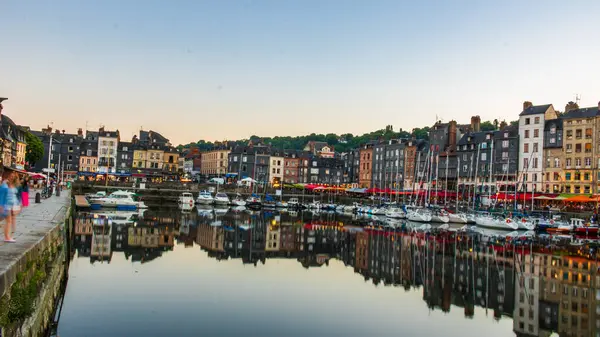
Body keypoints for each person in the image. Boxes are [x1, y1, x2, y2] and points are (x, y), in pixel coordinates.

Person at [0, 176, 10, 242]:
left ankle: (7, 237)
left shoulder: (3, 186)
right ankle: (7, 237)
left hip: (4, 206)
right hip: (3, 206)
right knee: (8, 220)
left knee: (8, 220)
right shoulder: (4, 186)